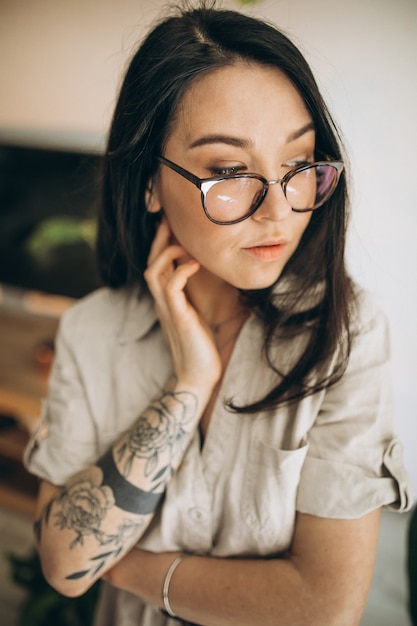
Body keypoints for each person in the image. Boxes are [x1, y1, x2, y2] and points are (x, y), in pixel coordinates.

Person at [24, 2, 413, 625]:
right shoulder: (92, 331)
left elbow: (325, 605)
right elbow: (63, 571)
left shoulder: (349, 332)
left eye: (296, 163)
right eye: (229, 170)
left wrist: (115, 559)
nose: (279, 211)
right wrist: (189, 385)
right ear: (149, 180)